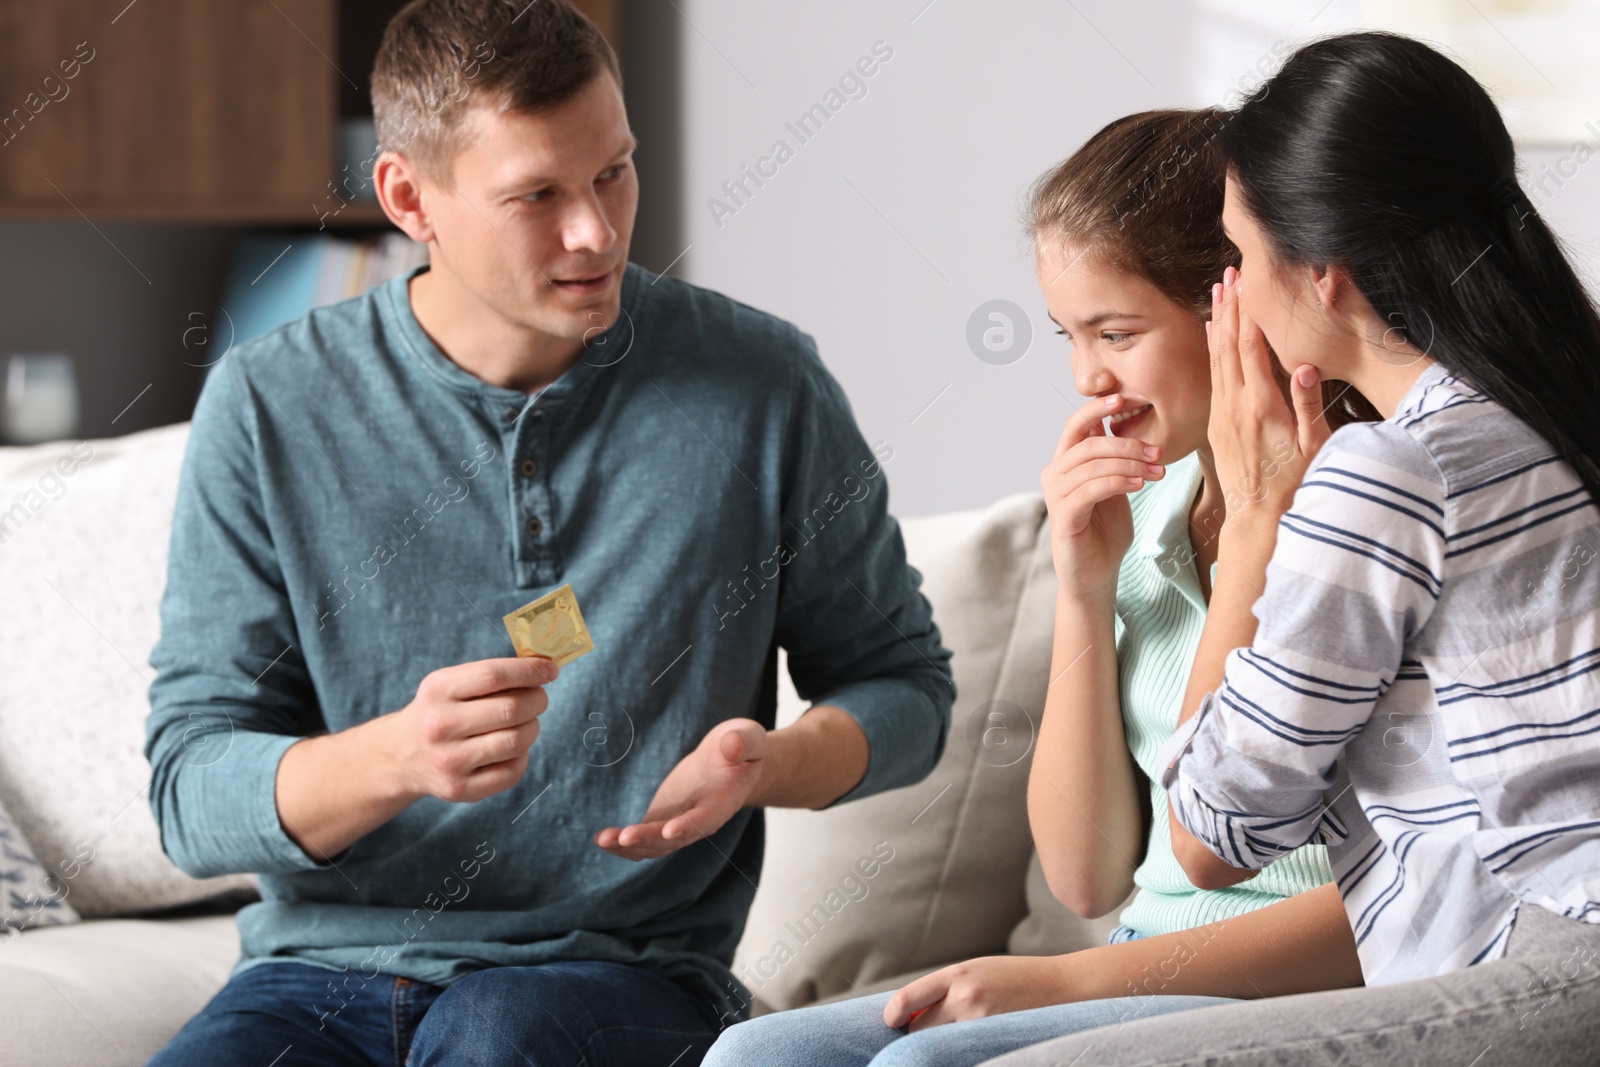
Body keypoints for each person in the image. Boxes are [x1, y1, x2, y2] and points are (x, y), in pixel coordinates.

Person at [141, 2, 953, 1064]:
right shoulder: (266, 403)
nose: (597, 232)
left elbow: (907, 691)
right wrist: (396, 755)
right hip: (316, 976)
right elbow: (190, 792)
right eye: (537, 195)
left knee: (498, 1038)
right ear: (406, 197)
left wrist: (775, 761)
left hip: (624, 970)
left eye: (613, 172)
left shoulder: (762, 387)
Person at [703, 108, 1378, 1067]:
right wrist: (1083, 585)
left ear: (1238, 306)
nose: (1087, 378)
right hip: (1146, 956)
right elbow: (1087, 877)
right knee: (753, 1057)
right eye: (1069, 335)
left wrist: (1070, 981)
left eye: (1116, 331)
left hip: (1293, 986)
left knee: (920, 1063)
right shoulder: (1152, 507)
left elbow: (1397, 893)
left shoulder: (1361, 514)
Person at [990, 29, 1600, 1067]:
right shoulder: (1532, 410)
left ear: (1319, 273)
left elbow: (1208, 833)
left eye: (1240, 255)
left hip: (1532, 948)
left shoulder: (1385, 468)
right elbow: (1100, 873)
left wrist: (1264, 514)